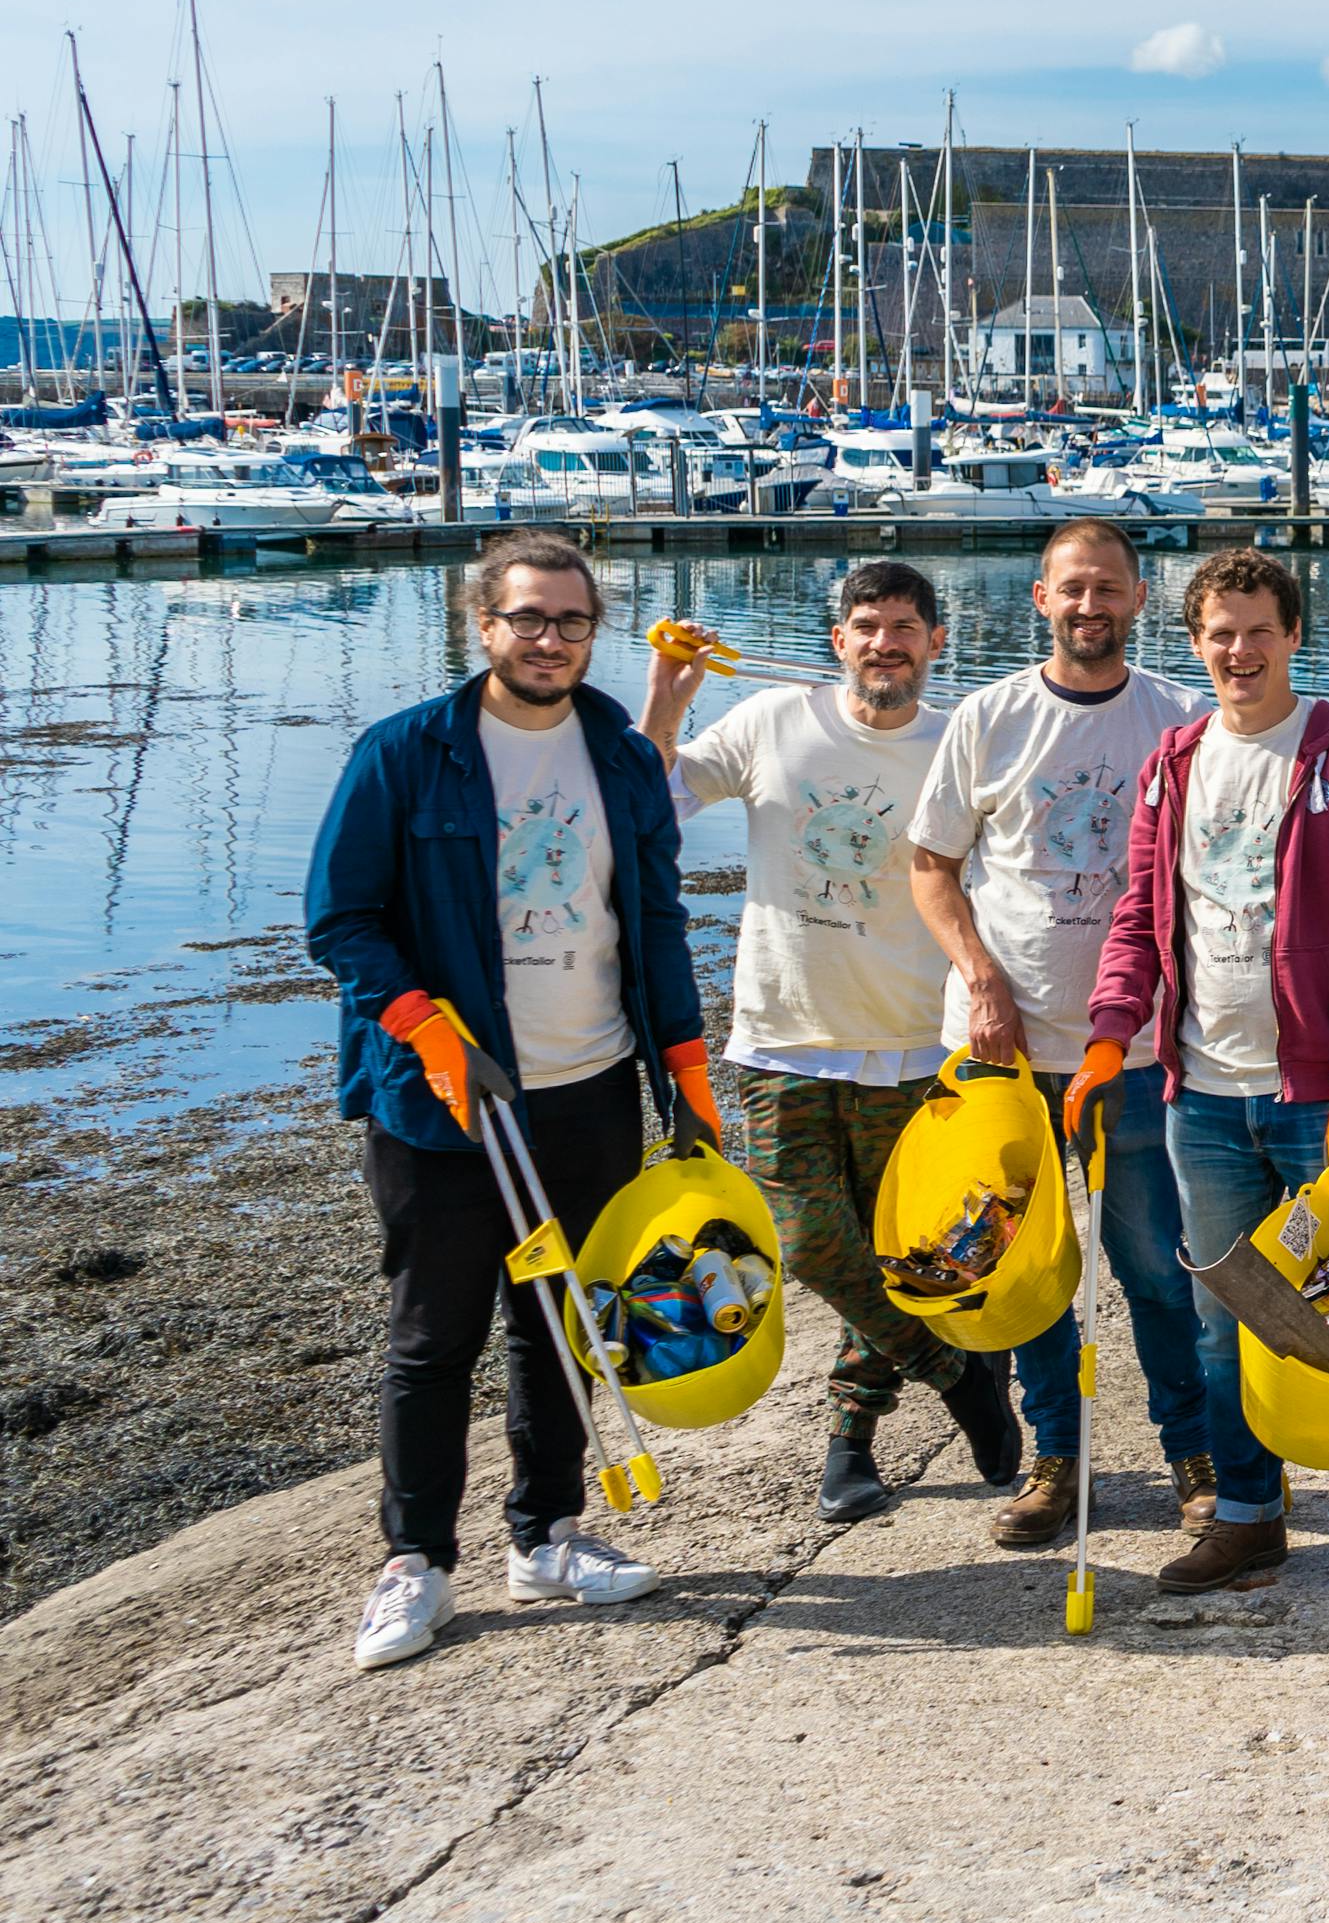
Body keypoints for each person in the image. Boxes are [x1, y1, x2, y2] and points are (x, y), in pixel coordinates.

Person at [308, 530, 711, 1670]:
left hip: (589, 1086)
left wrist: (684, 1068)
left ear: (595, 631)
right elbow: (342, 921)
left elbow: (660, 920)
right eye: (527, 618)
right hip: (443, 1104)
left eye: (571, 621)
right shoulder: (404, 753)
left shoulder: (624, 759)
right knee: (433, 1338)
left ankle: (547, 1533)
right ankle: (414, 1563)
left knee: (561, 1326)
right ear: (482, 624)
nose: (548, 639)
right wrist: (425, 1025)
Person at [641, 560, 1021, 1523]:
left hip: (912, 1040)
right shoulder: (773, 720)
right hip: (782, 1037)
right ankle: (957, 1376)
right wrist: (666, 699)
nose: (883, 643)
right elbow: (651, 806)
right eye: (865, 626)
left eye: (904, 627)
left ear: (937, 643)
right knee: (812, 1244)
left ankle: (848, 1440)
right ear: (838, 639)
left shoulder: (961, 741)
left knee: (900, 1250)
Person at [1076, 547, 1329, 1598]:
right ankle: (1246, 1513)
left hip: (1325, 1095)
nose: (1240, 650)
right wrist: (1109, 1032)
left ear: (1294, 636)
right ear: (1194, 643)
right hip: (1206, 1095)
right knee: (1227, 1319)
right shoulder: (1174, 763)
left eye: (1259, 630)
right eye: (1220, 633)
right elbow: (1141, 915)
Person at [905, 520, 1219, 1553]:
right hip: (1003, 1053)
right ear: (1040, 597)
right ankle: (1058, 1457)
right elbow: (931, 866)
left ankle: (1194, 1452)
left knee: (1157, 1269)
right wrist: (980, 975)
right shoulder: (988, 718)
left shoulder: (1182, 717)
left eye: (1109, 590)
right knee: (1027, 1268)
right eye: (1071, 590)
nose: (1090, 607)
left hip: (1135, 1052)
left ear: (1138, 598)